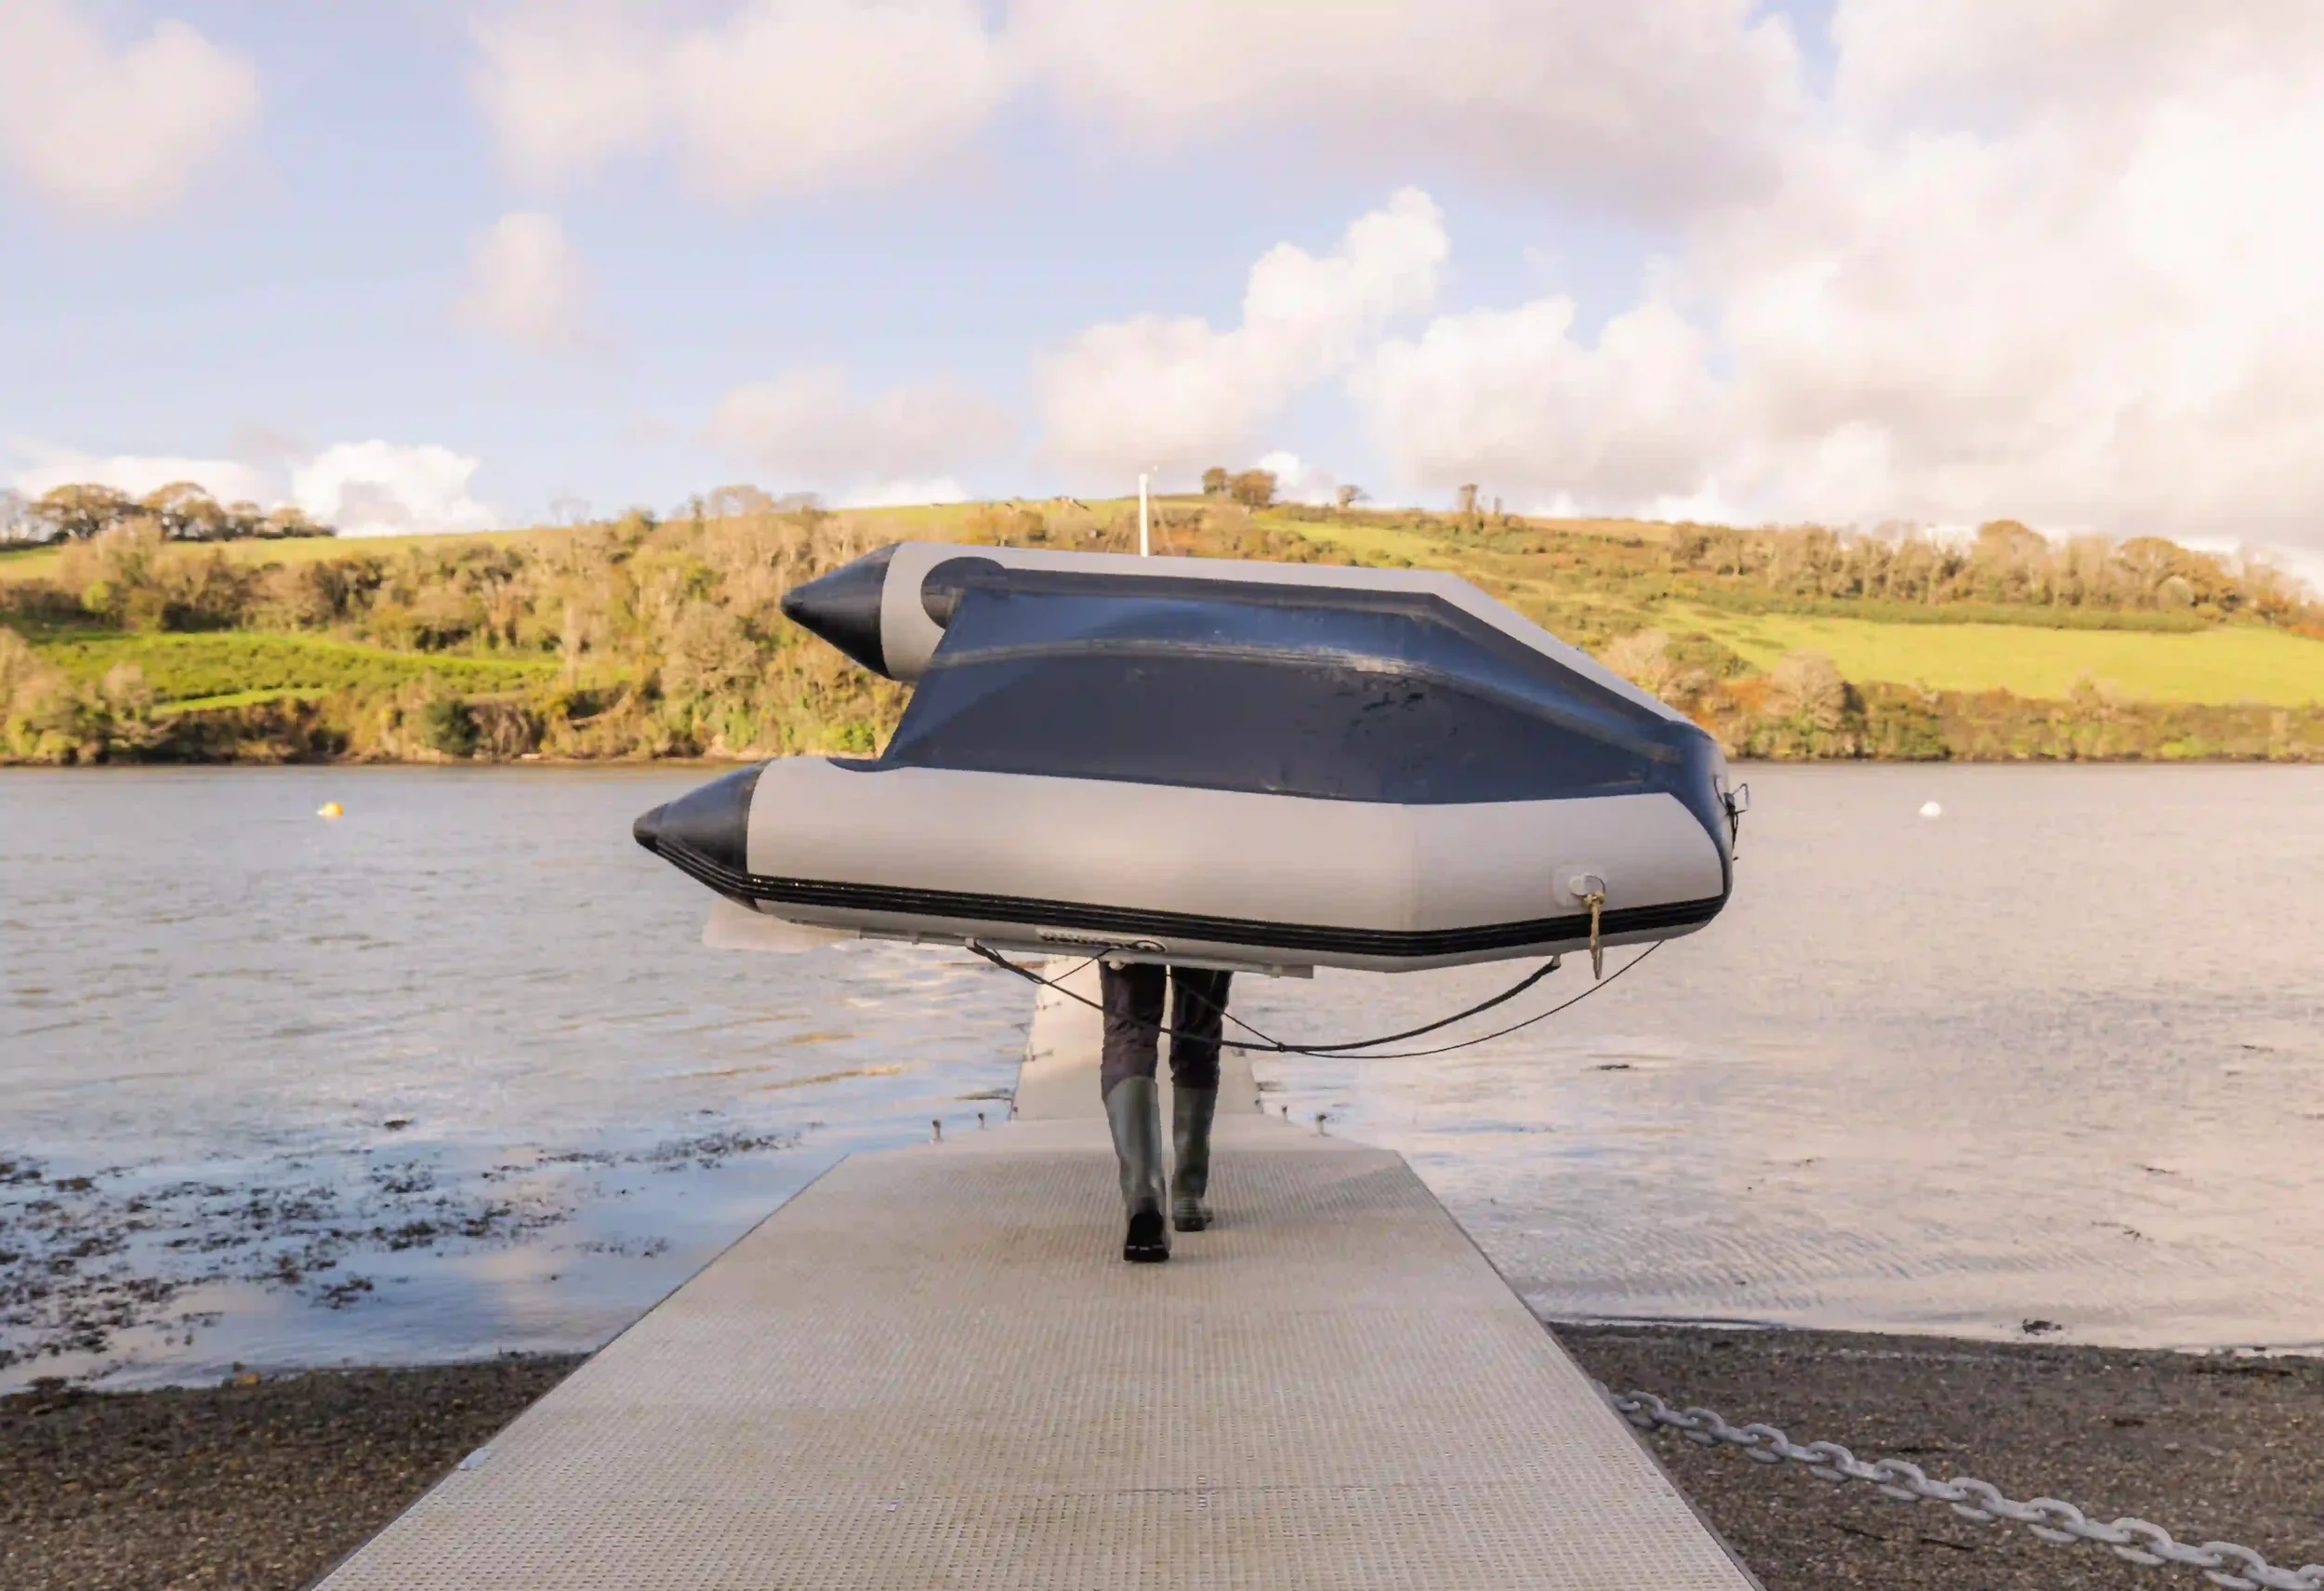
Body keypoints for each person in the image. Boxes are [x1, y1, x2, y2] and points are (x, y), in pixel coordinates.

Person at [1098, 960, 1232, 1263]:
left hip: (1130, 930)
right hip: (1202, 930)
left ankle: (1144, 1198)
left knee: (1129, 1032)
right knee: (1198, 1026)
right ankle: (1187, 1195)